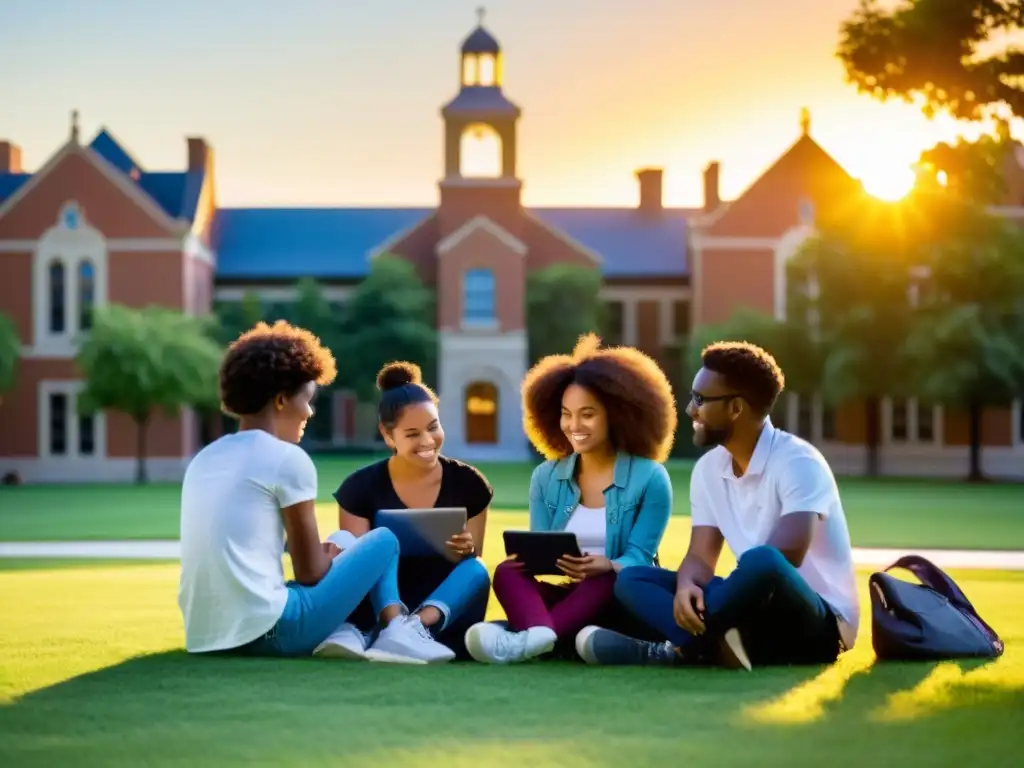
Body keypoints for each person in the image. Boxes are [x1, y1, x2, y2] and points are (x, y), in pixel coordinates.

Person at [177, 321, 453, 664]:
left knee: (343, 541)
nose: (309, 412)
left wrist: (324, 552)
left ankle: (352, 632)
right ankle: (396, 630)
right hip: (272, 631)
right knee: (383, 540)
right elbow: (310, 572)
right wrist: (333, 558)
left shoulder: (205, 458)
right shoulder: (287, 459)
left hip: (206, 636)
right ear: (281, 400)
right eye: (306, 400)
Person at [576, 341, 859, 670]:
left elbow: (786, 556)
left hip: (819, 623)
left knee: (763, 560)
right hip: (749, 608)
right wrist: (686, 587)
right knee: (633, 579)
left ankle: (678, 648)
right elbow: (699, 556)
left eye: (700, 399)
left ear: (736, 408)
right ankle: (714, 644)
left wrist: (712, 602)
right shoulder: (709, 469)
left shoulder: (798, 461)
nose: (690, 410)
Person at [464, 333, 677, 665]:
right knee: (508, 571)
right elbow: (538, 554)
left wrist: (607, 563)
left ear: (617, 414)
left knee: (607, 579)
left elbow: (640, 556)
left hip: (618, 596)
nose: (573, 425)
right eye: (566, 413)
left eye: (587, 414)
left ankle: (522, 638)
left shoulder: (650, 477)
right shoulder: (546, 477)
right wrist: (536, 559)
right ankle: (544, 637)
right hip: (571, 598)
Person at [334, 361, 493, 661]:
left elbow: (470, 564)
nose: (427, 442)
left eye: (433, 427)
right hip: (381, 607)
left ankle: (412, 629)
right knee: (374, 550)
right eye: (412, 434)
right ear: (388, 434)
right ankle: (394, 626)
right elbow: (358, 569)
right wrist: (391, 615)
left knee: (477, 569)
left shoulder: (469, 483)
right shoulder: (359, 487)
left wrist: (468, 548)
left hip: (443, 611)